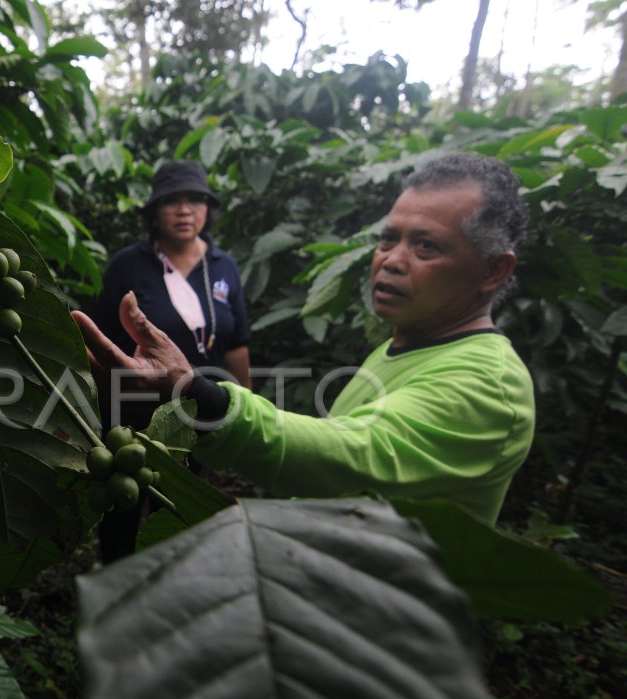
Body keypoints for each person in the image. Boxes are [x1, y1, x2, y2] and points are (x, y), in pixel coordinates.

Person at [73, 152, 535, 527]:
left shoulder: (489, 385)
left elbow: (356, 452)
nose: (392, 260)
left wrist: (205, 399)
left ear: (494, 270)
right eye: (388, 239)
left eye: (427, 246)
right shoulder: (403, 348)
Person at [85, 160, 252, 560]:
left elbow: (237, 343)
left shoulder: (223, 266)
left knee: (177, 514)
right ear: (154, 213)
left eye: (195, 200)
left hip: (193, 416)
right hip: (129, 419)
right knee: (121, 513)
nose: (184, 210)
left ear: (207, 210)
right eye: (172, 201)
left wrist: (242, 408)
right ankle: (116, 593)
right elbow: (99, 342)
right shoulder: (129, 264)